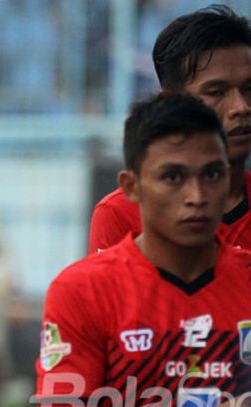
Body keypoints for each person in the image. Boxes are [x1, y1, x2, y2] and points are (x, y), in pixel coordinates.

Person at [36, 93, 251, 407]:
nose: (197, 196)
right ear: (131, 186)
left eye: (212, 174)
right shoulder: (82, 291)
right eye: (173, 177)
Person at [88, 4, 251, 254]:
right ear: (172, 101)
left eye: (248, 89)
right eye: (216, 92)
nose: (240, 107)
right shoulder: (120, 214)